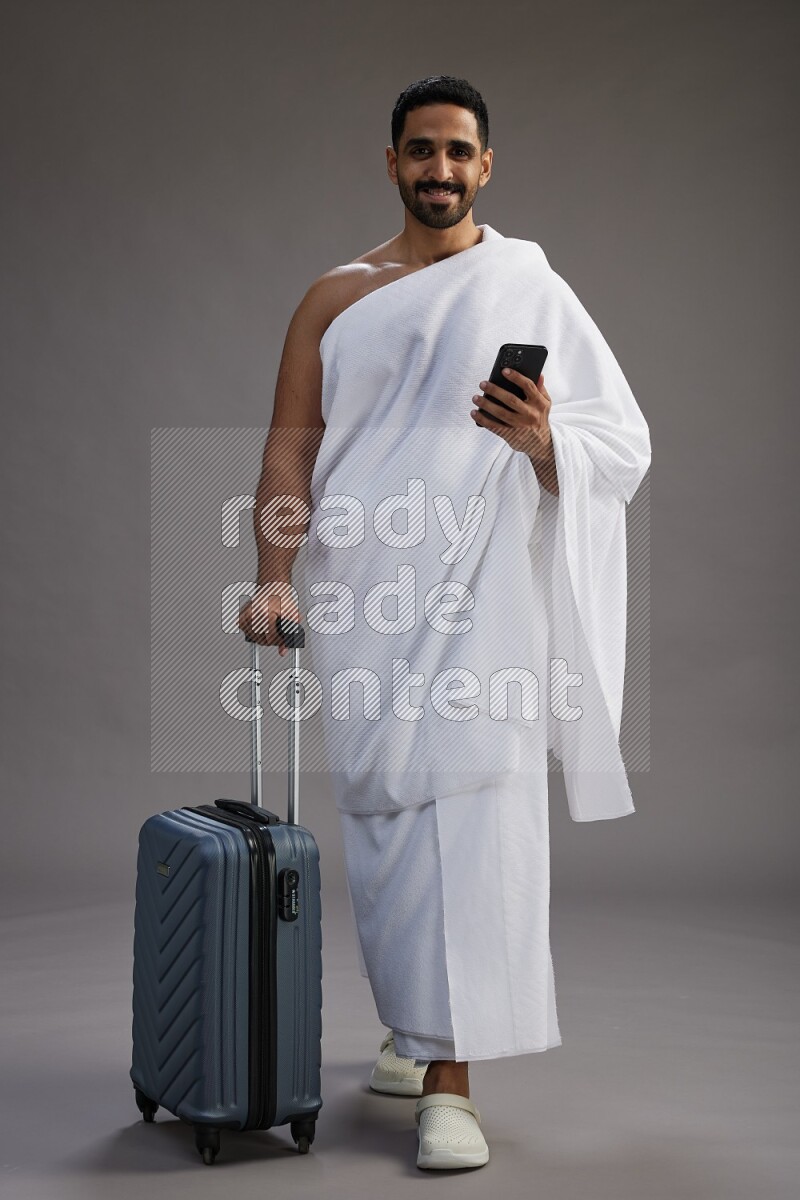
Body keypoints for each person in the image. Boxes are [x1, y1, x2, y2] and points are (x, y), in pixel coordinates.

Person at [238, 75, 651, 1171]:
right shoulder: (335, 297)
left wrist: (542, 443)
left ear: (484, 165)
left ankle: (450, 1080)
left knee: (474, 812)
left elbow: (619, 444)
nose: (439, 171)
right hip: (363, 591)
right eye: (420, 152)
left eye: (458, 153)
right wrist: (275, 576)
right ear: (390, 162)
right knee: (384, 830)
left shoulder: (525, 284)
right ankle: (412, 1031)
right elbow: (290, 450)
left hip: (481, 600)